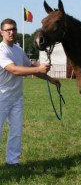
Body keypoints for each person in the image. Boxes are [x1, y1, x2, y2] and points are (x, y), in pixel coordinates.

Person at [0, 18, 60, 167]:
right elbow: (14, 69)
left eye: (14, 29)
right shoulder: (1, 51)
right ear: (1, 32)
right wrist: (38, 69)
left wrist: (49, 79)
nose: (11, 32)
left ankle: (12, 161)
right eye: (8, 30)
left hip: (16, 98)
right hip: (1, 98)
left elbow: (29, 66)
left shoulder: (18, 50)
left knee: (16, 131)